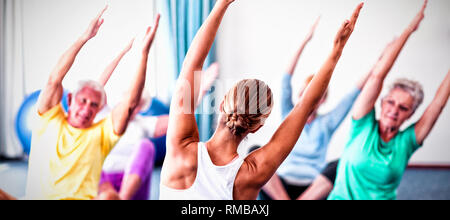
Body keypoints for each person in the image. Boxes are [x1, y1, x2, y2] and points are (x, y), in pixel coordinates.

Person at [159, 0, 364, 200]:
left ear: (222, 104)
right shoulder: (253, 173)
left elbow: (192, 64)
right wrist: (337, 49)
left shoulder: (181, 147)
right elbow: (305, 106)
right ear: (257, 127)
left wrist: (221, 4)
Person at [23, 6, 160, 200]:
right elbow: (55, 80)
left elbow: (130, 102)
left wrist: (143, 54)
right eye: (83, 101)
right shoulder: (49, 119)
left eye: (94, 105)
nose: (87, 108)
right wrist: (84, 38)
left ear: (99, 109)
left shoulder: (103, 131)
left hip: (110, 186)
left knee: (111, 194)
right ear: (70, 100)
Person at [328, 0, 450, 200]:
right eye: (391, 102)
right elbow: (378, 75)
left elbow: (438, 103)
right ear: (382, 102)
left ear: (410, 114)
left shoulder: (407, 141)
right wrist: (410, 30)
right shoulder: (362, 124)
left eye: (403, 108)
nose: (394, 110)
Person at [261, 17, 371, 200]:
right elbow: (285, 78)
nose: (309, 98)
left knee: (342, 163)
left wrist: (380, 63)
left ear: (323, 100)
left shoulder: (327, 122)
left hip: (312, 189)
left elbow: (353, 94)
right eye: (306, 92)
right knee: (255, 151)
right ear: (299, 94)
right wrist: (304, 41)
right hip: (281, 186)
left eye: (316, 95)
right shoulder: (288, 113)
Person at [95, 42, 220, 200]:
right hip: (102, 185)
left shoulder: (144, 124)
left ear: (141, 108)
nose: (132, 106)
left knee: (146, 146)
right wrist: (120, 54)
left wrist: (201, 89)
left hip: (132, 190)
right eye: (131, 100)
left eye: (137, 104)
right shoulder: (103, 115)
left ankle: (123, 198)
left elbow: (181, 115)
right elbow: (95, 88)